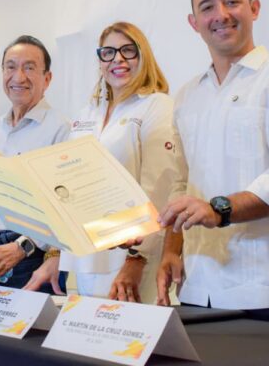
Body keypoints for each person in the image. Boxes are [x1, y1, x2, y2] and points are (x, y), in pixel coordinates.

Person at [156, 0, 269, 324]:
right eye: (208, 7)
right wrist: (171, 250)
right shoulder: (187, 96)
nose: (221, 15)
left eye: (232, 2)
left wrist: (218, 210)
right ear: (194, 22)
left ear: (254, 8)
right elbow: (182, 184)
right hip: (198, 286)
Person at [52, 22, 186, 304]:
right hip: (89, 257)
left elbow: (160, 189)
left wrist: (137, 258)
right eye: (108, 52)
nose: (118, 59)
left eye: (128, 50)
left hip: (133, 259)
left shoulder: (156, 105)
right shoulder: (87, 113)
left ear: (143, 55)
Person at [0, 35, 70, 292]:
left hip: (32, 258)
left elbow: (64, 205)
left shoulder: (61, 130)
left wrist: (23, 246)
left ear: (47, 79)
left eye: (29, 68)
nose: (18, 77)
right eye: (11, 67)